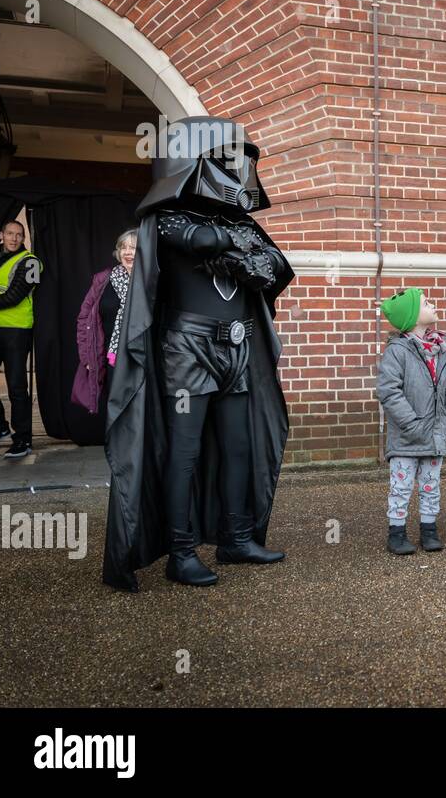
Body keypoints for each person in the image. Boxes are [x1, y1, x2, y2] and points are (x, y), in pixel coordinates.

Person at [103, 117, 294, 591]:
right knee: (184, 451)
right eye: (222, 158)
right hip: (187, 348)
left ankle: (236, 537)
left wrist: (243, 248)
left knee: (238, 445)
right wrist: (238, 247)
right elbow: (199, 240)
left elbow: (275, 267)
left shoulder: (238, 221)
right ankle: (181, 551)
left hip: (237, 344)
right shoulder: (164, 217)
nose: (234, 169)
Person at [377, 287, 446, 554]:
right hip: (406, 437)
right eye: (425, 302)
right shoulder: (397, 352)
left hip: (436, 434)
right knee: (401, 486)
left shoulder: (442, 351)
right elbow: (389, 391)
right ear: (411, 317)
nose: (432, 303)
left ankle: (429, 530)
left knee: (431, 484)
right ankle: (397, 533)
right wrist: (411, 425)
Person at [0, 220, 42, 458]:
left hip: (17, 331)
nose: (14, 238)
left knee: (17, 387)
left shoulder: (32, 263)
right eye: (10, 233)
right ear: (1, 235)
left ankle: (23, 439)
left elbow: (15, 297)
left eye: (19, 235)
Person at [72, 230, 137, 414]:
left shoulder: (151, 281)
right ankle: (118, 443)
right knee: (116, 409)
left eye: (133, 248)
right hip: (112, 359)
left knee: (141, 411)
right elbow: (84, 318)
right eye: (123, 247)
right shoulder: (103, 280)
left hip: (143, 359)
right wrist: (87, 357)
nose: (127, 252)